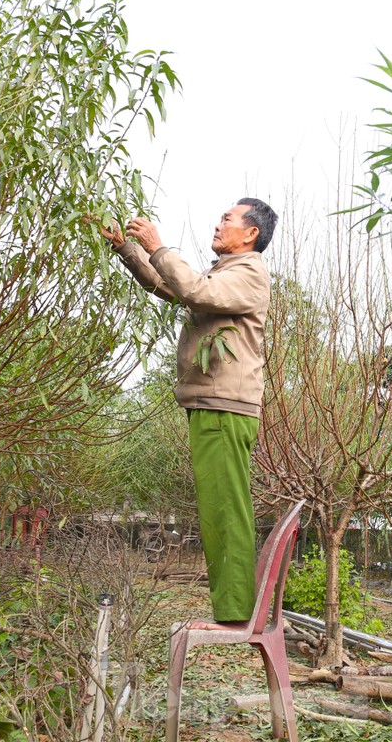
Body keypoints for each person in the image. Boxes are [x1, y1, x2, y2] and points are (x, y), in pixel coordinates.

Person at [102, 199, 277, 623]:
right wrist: (128, 249)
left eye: (227, 219)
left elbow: (194, 290)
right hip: (211, 404)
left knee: (226, 507)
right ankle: (233, 607)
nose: (218, 224)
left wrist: (159, 247)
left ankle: (237, 611)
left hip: (225, 406)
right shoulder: (227, 273)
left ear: (250, 233)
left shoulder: (250, 273)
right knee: (216, 504)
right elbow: (171, 288)